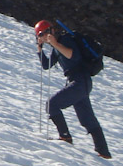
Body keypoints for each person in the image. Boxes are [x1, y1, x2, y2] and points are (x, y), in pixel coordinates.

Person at [35, 19, 111, 158]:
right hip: (79, 83)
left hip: (80, 81)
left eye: (44, 34)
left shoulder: (66, 40)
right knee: (87, 118)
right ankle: (104, 152)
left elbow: (73, 56)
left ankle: (65, 137)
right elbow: (47, 65)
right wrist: (39, 49)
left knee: (52, 104)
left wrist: (55, 44)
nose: (44, 38)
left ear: (51, 31)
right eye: (40, 36)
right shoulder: (56, 46)